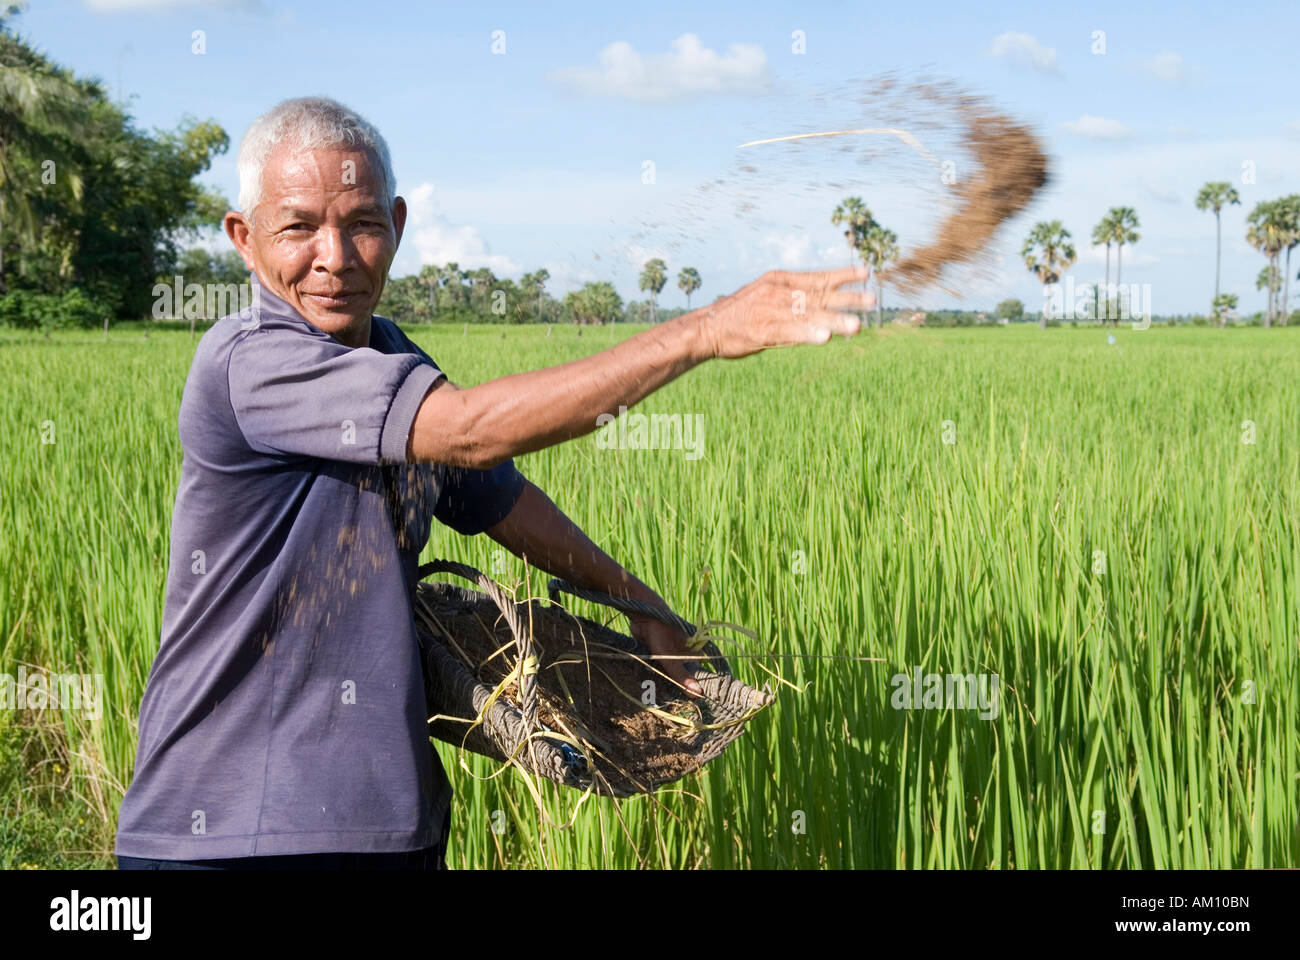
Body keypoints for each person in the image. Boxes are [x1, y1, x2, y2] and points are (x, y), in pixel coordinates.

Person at [114, 96, 872, 869]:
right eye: (299, 226)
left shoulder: (387, 353)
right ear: (245, 239)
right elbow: (472, 428)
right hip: (225, 831)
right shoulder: (249, 356)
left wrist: (638, 604)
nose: (335, 257)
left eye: (363, 225)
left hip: (386, 821)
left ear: (398, 227)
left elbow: (496, 496)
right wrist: (705, 330)